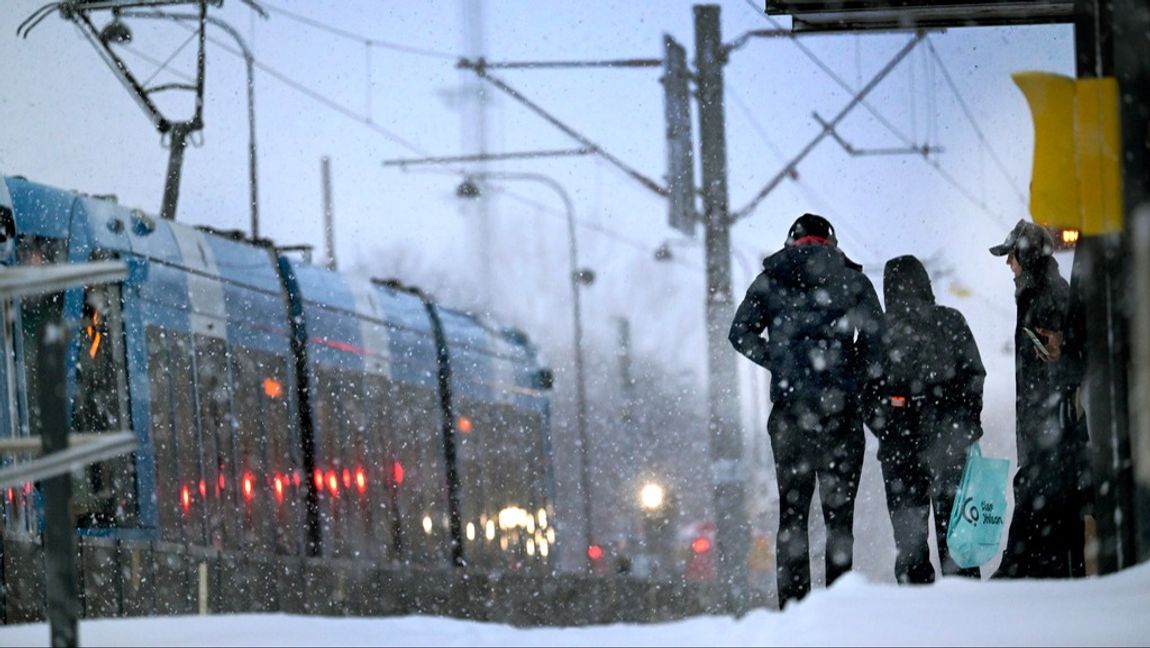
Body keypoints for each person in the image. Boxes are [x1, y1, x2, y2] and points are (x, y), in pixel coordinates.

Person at [728, 213, 883, 609]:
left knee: (793, 517)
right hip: (841, 414)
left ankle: (794, 611)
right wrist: (850, 371)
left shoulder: (772, 278)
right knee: (839, 519)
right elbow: (878, 338)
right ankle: (839, 608)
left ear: (792, 241)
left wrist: (779, 361)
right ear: (829, 242)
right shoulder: (853, 280)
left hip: (790, 416)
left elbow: (739, 333)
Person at [867, 255, 985, 584]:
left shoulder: (878, 332)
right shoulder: (950, 321)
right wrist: (964, 425)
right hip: (950, 446)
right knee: (960, 541)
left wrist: (887, 428)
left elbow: (865, 392)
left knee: (910, 546)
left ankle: (918, 616)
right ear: (925, 284)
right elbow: (974, 375)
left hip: (898, 452)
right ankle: (967, 614)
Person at [988, 218, 1088, 579]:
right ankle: (1043, 576)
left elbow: (1069, 358)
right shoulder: (1041, 291)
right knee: (1051, 506)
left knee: (1040, 500)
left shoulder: (1045, 294)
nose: (1007, 264)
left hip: (1051, 422)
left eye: (1011, 255)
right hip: (1045, 421)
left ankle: (1019, 577)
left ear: (1026, 256)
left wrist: (1059, 359)